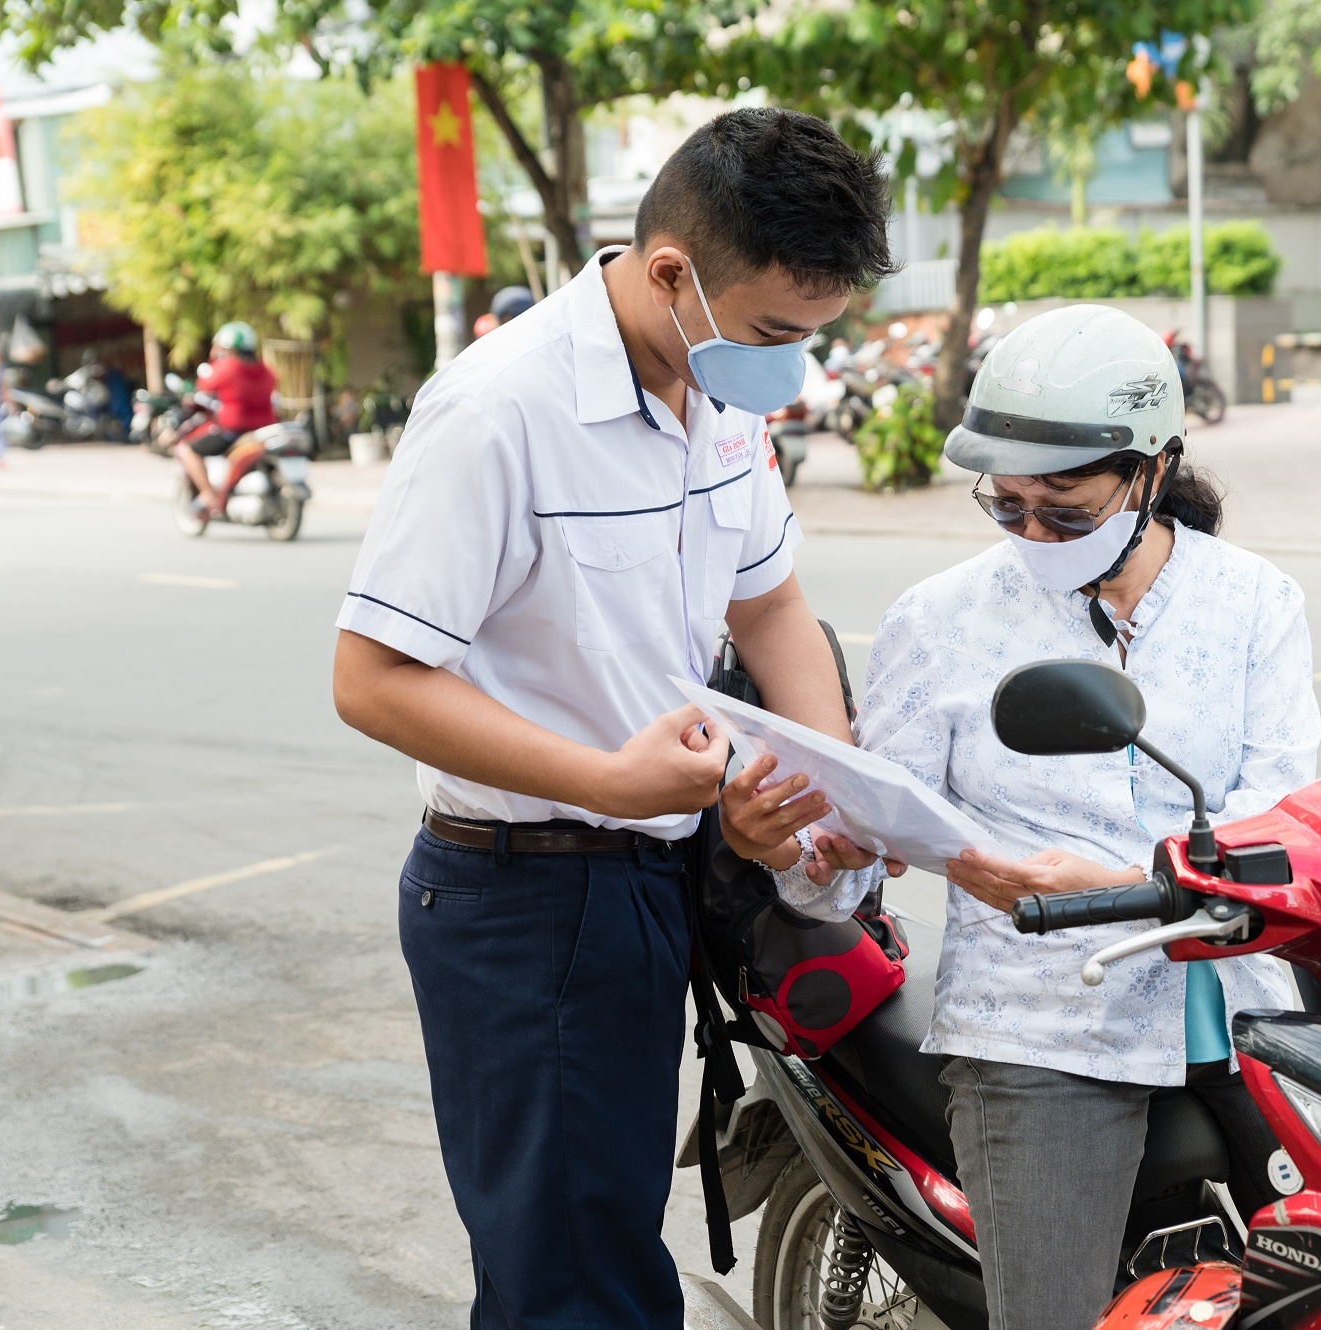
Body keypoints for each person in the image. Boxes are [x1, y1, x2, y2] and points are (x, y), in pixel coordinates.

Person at [329, 108, 896, 1330]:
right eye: (772, 334)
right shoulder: (499, 411)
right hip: (525, 898)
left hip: (651, 872)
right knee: (572, 1289)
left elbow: (774, 605)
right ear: (669, 272)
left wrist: (841, 789)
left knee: (605, 1242)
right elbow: (371, 678)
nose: (786, 367)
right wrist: (605, 778)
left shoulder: (715, 393)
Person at [754, 305, 1321, 1330]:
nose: (1030, 534)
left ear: (1150, 469)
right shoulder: (940, 619)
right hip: (1039, 1029)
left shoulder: (1254, 603)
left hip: (1245, 1014)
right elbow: (859, 851)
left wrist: (1111, 886)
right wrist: (797, 847)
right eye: (1004, 505)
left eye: (1064, 510)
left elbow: (1273, 819)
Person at [175, 322, 279, 514]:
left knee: (186, 449)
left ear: (228, 348)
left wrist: (215, 359)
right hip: (264, 429)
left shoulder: (227, 367)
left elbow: (204, 384)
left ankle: (207, 494)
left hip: (233, 429)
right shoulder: (266, 370)